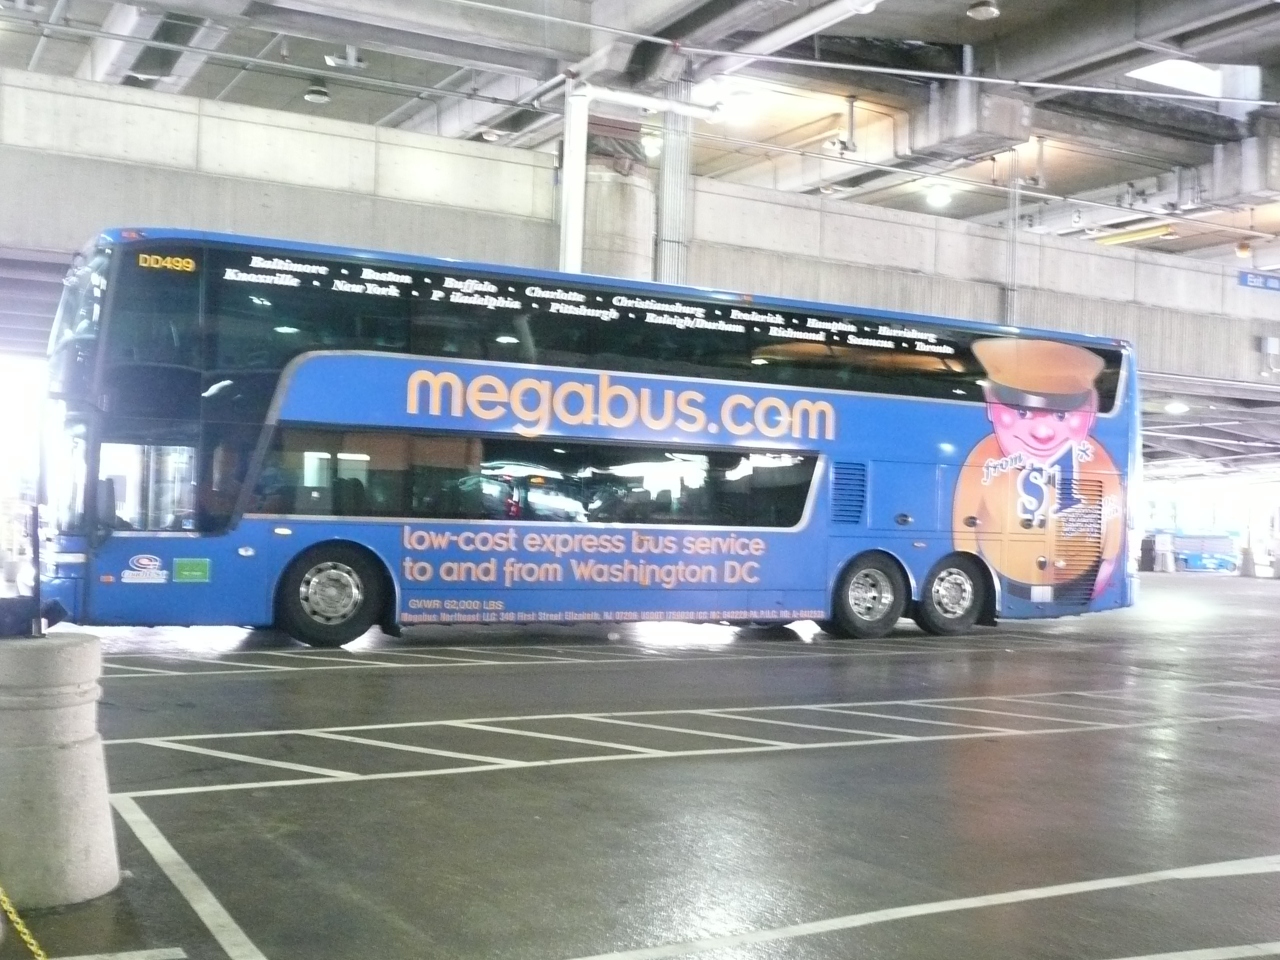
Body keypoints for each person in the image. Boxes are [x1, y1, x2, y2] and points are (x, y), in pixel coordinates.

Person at [953, 338, 1123, 611]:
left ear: (1091, 410)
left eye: (1061, 415)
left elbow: (1111, 543)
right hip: (1003, 585)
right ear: (991, 404)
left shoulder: (1097, 462)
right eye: (1021, 411)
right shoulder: (983, 458)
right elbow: (964, 538)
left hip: (1076, 587)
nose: (1042, 433)